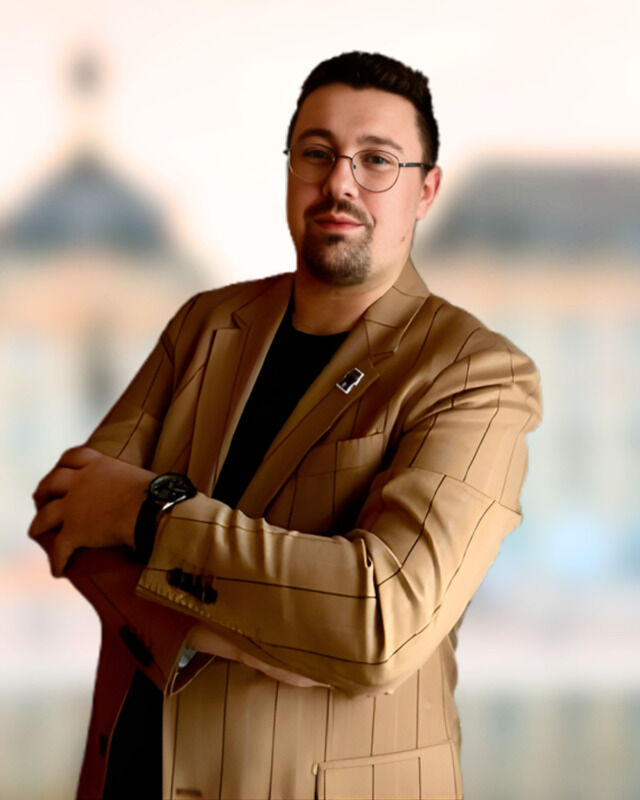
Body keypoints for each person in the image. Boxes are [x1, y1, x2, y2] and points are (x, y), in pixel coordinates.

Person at [29, 51, 541, 800]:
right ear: (291, 169)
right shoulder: (206, 322)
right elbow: (67, 512)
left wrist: (148, 512)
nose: (340, 182)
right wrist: (278, 633)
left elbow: (378, 623)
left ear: (426, 190)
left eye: (377, 160)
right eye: (317, 153)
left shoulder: (477, 374)